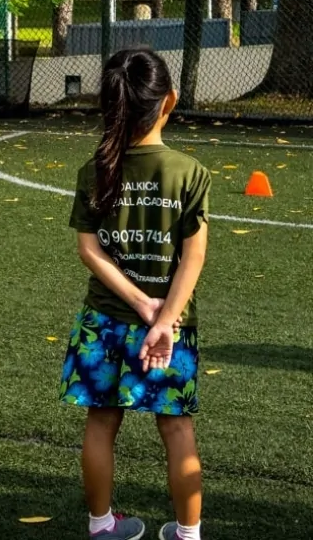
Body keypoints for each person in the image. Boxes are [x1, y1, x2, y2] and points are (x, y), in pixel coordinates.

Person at [63, 48, 209, 540]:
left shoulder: (94, 168)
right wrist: (163, 316)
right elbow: (194, 258)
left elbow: (88, 249)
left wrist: (138, 303)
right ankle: (189, 535)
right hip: (168, 327)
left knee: (101, 423)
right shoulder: (189, 172)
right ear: (169, 100)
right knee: (177, 428)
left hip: (103, 321)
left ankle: (101, 527)